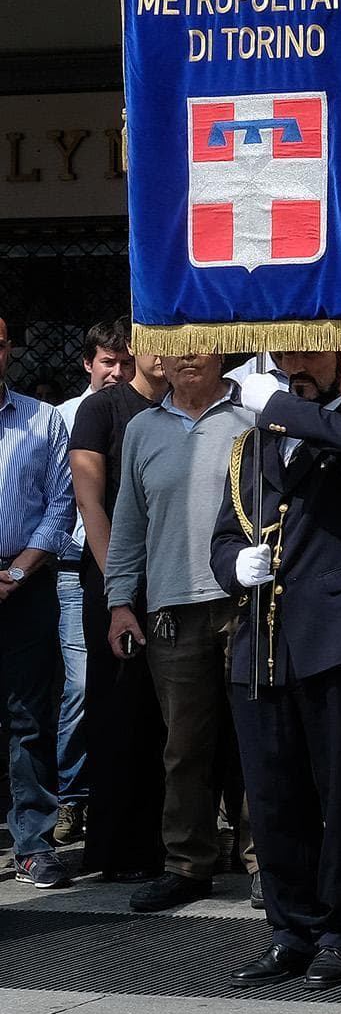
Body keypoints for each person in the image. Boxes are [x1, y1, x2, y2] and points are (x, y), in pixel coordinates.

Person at [211, 354, 341, 989]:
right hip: (262, 646)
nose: (297, 366)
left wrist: (283, 409)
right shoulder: (253, 447)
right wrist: (233, 566)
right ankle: (289, 931)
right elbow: (222, 535)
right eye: (288, 355)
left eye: (311, 352)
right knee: (271, 798)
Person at [105, 351, 257, 909]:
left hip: (246, 603)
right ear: (160, 358)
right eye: (177, 345)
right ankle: (188, 865)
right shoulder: (143, 427)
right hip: (171, 608)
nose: (188, 356)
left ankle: (267, 861)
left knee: (258, 741)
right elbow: (129, 521)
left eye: (200, 343)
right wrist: (120, 600)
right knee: (185, 747)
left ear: (221, 352)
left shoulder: (253, 415)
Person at [70, 348, 171, 880]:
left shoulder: (181, 406)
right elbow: (91, 504)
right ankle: (117, 850)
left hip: (173, 582)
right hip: (115, 583)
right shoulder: (103, 409)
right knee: (118, 714)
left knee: (165, 720)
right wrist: (119, 593)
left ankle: (165, 845)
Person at [43, 319, 130, 854]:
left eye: (124, 362)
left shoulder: (142, 408)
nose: (116, 372)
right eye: (107, 362)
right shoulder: (66, 417)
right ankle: (74, 795)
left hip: (127, 567)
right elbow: (60, 495)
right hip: (74, 570)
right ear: (87, 363)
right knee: (79, 686)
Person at [0, 312, 76, 886]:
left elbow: (60, 502)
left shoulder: (43, 418)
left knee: (30, 714)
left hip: (25, 585)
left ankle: (33, 841)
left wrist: (22, 568)